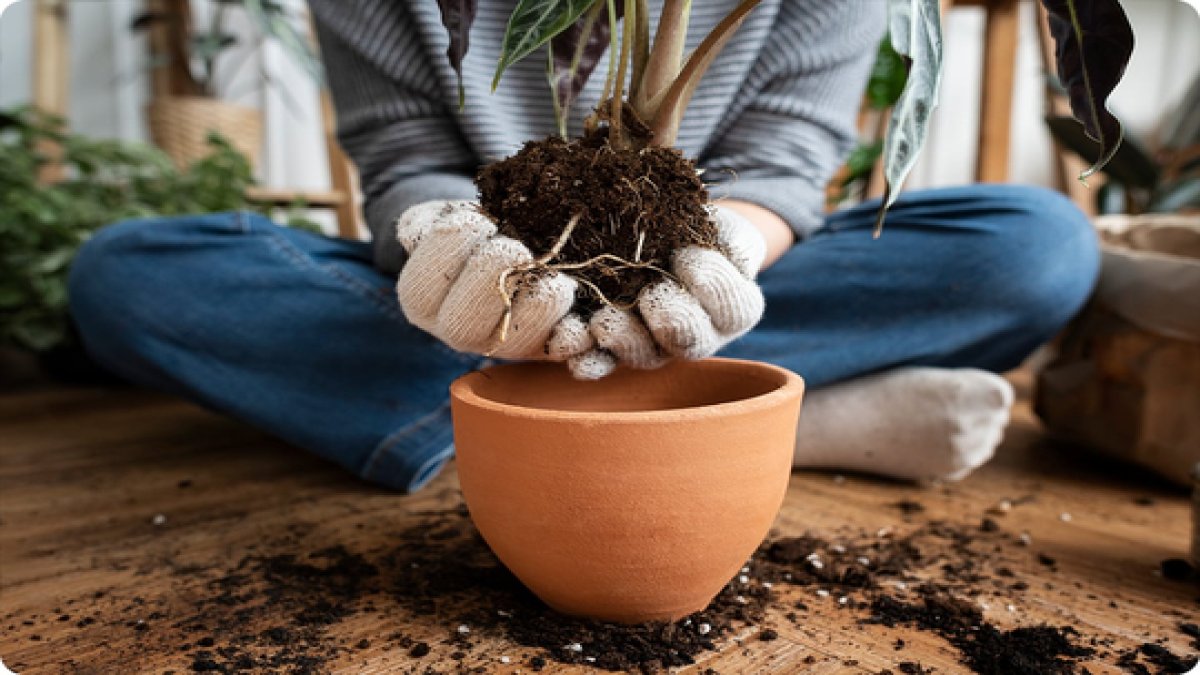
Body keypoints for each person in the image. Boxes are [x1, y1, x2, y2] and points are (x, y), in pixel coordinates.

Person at [67, 1, 1099, 493]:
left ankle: (515, 425)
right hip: (489, 287)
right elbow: (407, 156)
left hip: (706, 285)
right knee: (124, 274)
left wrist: (729, 243)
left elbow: (785, 161)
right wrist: (441, 254)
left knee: (1037, 244)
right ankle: (771, 418)